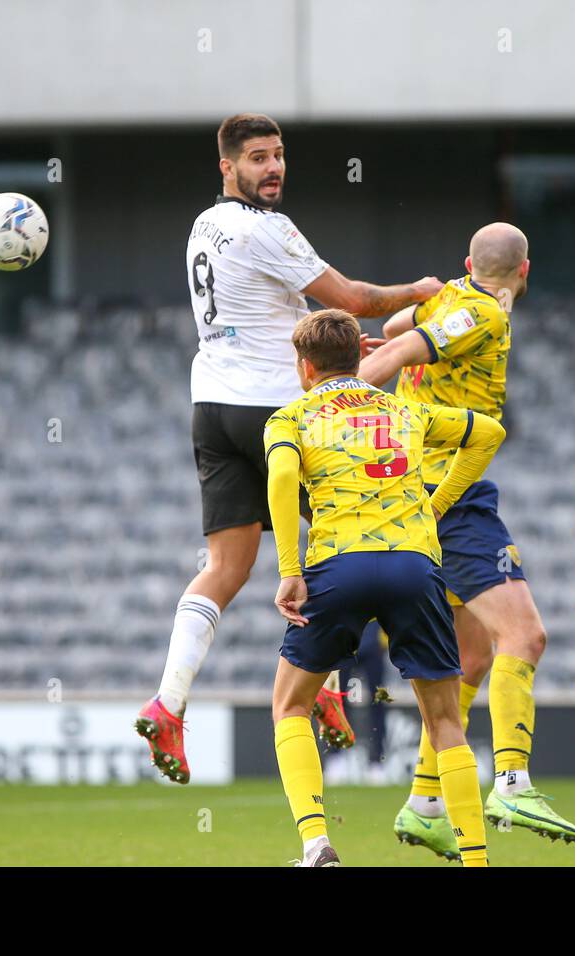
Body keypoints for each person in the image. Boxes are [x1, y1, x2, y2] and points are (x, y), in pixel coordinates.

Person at [135, 113, 444, 783]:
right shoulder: (266, 228)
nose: (272, 168)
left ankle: (170, 702)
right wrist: (418, 295)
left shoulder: (204, 223)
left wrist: (329, 349)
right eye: (257, 158)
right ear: (229, 168)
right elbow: (357, 298)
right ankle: (327, 686)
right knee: (345, 533)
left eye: (278, 156)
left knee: (225, 567)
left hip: (212, 406)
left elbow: (263, 313)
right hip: (276, 410)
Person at [358, 223, 575, 858]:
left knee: (472, 658)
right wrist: (343, 394)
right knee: (526, 636)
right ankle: (512, 779)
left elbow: (400, 329)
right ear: (526, 272)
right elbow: (402, 350)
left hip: (417, 489)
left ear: (465, 262)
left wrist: (381, 344)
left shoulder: (446, 296)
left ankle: (426, 800)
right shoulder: (480, 311)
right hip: (449, 493)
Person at [265, 309, 504, 866]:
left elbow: (279, 478)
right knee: (444, 720)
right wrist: (436, 503)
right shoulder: (404, 408)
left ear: (305, 367)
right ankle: (476, 860)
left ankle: (317, 844)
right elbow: (488, 433)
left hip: (338, 567)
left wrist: (288, 567)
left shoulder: (291, 417)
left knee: (290, 706)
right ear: (360, 358)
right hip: (413, 567)